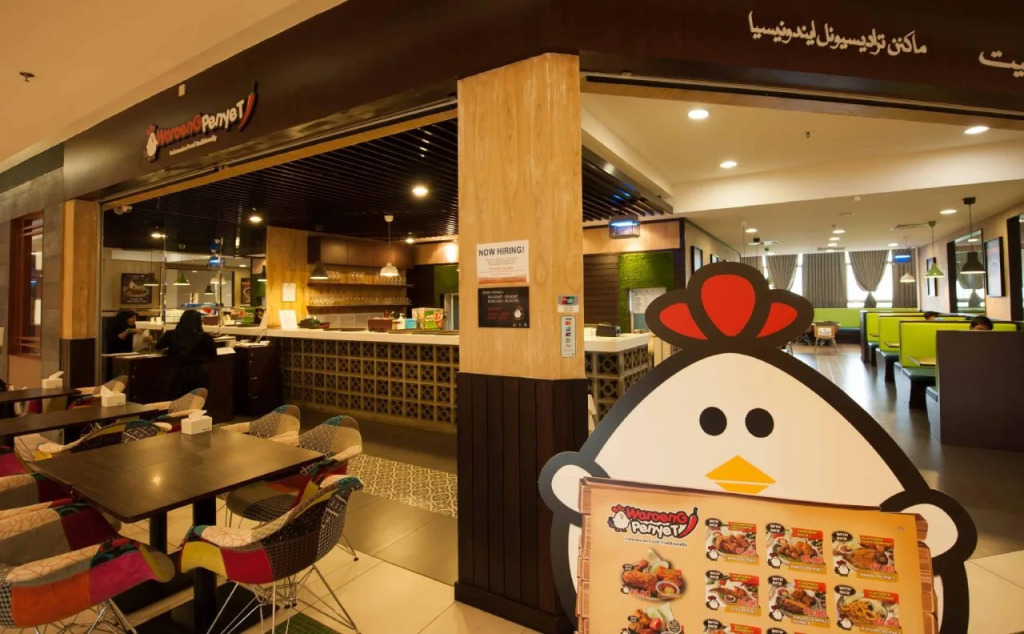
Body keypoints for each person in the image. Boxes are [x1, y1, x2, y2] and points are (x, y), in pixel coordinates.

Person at [156, 309, 217, 397]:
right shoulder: (204, 337)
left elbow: (158, 346)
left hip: (176, 373)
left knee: (178, 401)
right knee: (196, 401)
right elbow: (213, 353)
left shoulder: (170, 334)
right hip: (198, 374)